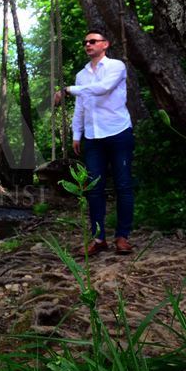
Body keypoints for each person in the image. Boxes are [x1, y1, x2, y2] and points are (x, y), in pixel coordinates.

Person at [53, 29, 135, 256]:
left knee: (123, 185)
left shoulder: (116, 66)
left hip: (118, 131)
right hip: (92, 137)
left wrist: (68, 90)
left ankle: (123, 237)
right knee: (94, 189)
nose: (88, 44)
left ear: (105, 44)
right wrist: (76, 134)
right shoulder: (82, 75)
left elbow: (103, 88)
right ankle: (98, 239)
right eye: (85, 42)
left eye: (92, 41)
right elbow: (81, 106)